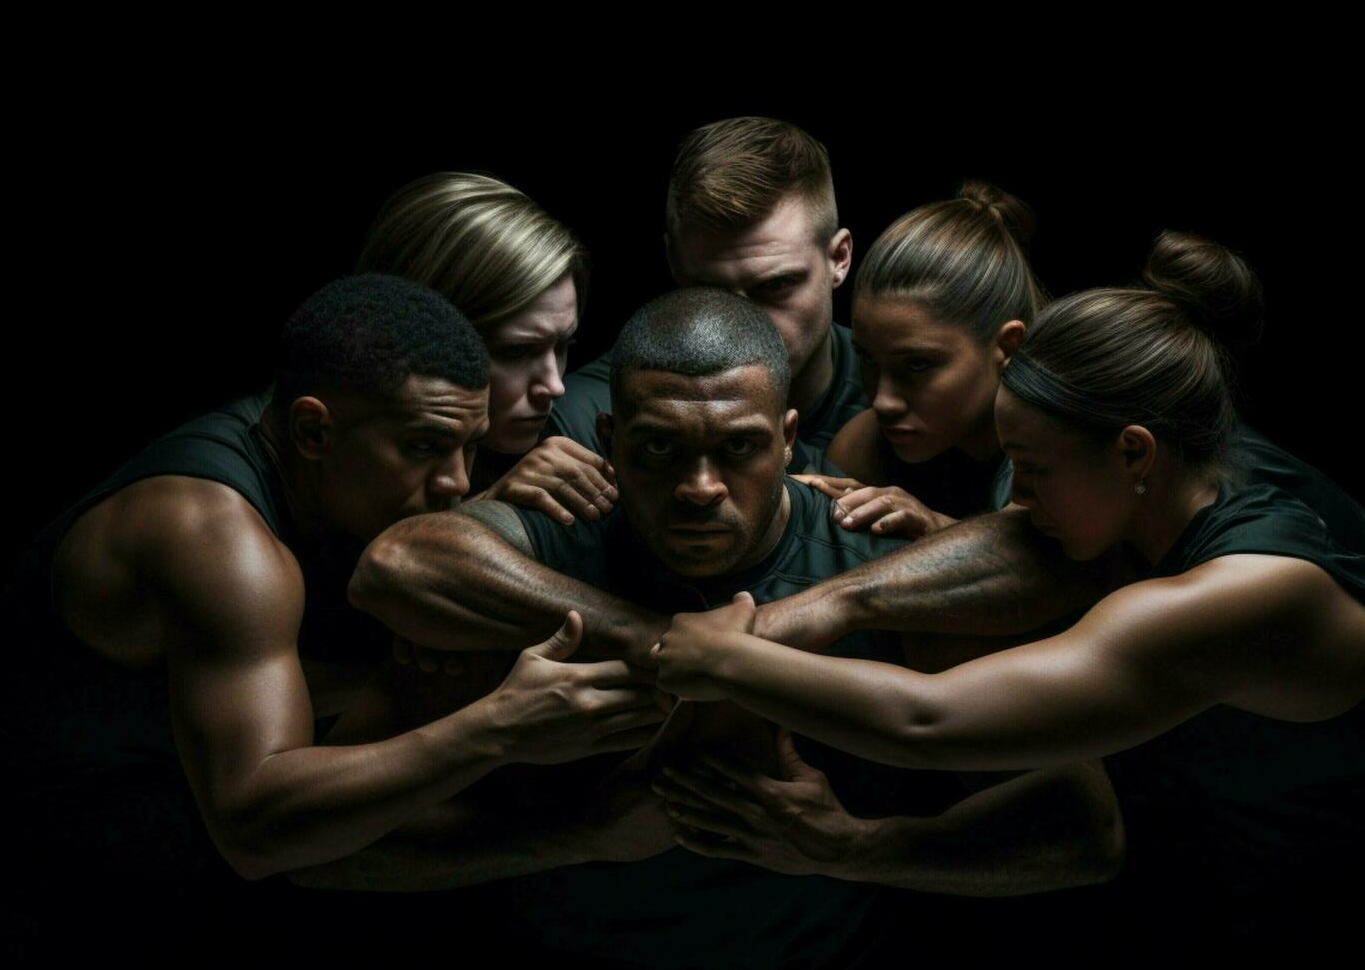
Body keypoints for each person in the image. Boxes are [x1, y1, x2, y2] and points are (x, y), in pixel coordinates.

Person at [650, 234, 1365, 961]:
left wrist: (726, 657)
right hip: (1259, 922)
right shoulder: (1172, 493)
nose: (1016, 502)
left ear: (1134, 454)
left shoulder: (1251, 595)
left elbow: (931, 722)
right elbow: (1018, 541)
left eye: (1030, 473)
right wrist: (833, 608)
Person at [345, 287, 1122, 966]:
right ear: (609, 442)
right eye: (659, 448)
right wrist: (578, 826)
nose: (700, 487)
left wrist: (847, 848)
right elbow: (397, 566)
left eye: (740, 447)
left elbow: (1083, 832)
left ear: (788, 440)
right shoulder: (552, 543)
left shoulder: (868, 558)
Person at [0, 275, 665, 958]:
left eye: (467, 447)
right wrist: (501, 726)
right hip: (2, 918)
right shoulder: (212, 539)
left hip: (152, 911)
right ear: (312, 430)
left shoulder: (325, 488)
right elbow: (255, 827)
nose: (453, 484)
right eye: (426, 447)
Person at [544, 116, 864, 475]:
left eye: (775, 286)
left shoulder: (912, 398)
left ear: (839, 258)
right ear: (674, 263)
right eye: (711, 292)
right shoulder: (585, 419)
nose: (746, 325)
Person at [359, 171, 617, 527]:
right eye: (515, 352)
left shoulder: (575, 433)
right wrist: (484, 510)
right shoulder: (342, 458)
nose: (555, 385)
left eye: (562, 346)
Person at [805, 180, 1045, 538]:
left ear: (1007, 347)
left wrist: (935, 528)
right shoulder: (863, 446)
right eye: (867, 359)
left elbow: (1051, 567)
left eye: (918, 365)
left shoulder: (1059, 440)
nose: (882, 402)